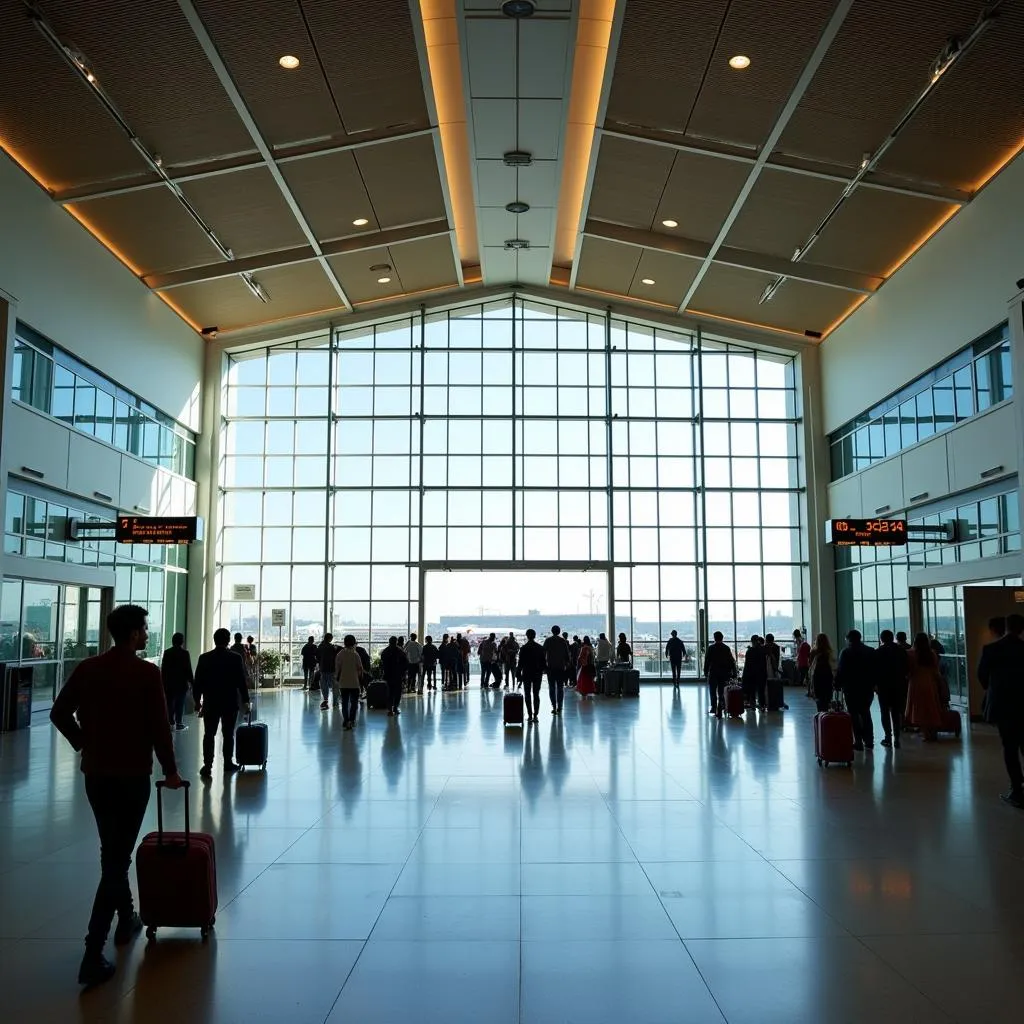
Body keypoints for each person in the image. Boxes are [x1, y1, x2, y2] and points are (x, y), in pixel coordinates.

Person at [50, 604, 182, 988]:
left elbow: (59, 712)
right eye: (143, 629)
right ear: (132, 633)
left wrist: (83, 743)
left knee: (112, 849)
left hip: (97, 775)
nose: (146, 634)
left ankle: (127, 917)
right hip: (132, 775)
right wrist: (171, 771)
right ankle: (93, 950)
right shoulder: (145, 673)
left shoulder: (89, 669)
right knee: (116, 858)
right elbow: (160, 728)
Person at [978, 613, 1024, 807]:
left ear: (1005, 627)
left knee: (1010, 747)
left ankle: (1017, 789)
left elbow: (982, 677)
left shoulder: (992, 649)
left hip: (1003, 706)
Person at [194, 628, 251, 778]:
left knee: (209, 734)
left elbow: (198, 681)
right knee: (228, 734)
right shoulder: (235, 658)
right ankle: (227, 763)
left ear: (214, 640)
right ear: (227, 641)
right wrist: (246, 701)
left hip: (210, 702)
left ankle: (207, 765)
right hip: (229, 702)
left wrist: (197, 701)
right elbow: (241, 682)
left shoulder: (204, 658)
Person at [836, 630, 875, 750]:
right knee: (866, 713)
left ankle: (858, 740)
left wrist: (837, 684)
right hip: (867, 688)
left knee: (853, 714)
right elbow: (875, 670)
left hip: (851, 688)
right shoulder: (870, 651)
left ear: (849, 639)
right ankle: (869, 740)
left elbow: (841, 671)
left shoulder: (846, 652)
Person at [905, 632, 943, 741]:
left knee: (919, 710)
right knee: (931, 708)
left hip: (916, 684)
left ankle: (926, 734)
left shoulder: (910, 654)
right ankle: (933, 733)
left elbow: (908, 671)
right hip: (930, 683)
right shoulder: (932, 654)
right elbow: (936, 671)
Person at [875, 630, 909, 748]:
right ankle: (897, 738)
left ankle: (888, 737)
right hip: (898, 685)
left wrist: (876, 685)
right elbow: (906, 667)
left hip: (883, 686)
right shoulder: (901, 651)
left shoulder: (878, 651)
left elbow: (875, 670)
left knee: (884, 712)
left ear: (882, 639)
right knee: (896, 712)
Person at [160, 632, 193, 730]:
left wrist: (163, 682)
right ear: (182, 641)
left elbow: (164, 669)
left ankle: (170, 721)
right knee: (180, 703)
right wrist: (192, 681)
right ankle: (179, 723)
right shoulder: (185, 653)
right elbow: (188, 669)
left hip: (169, 683)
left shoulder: (167, 652)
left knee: (170, 702)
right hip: (181, 683)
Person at [703, 631, 736, 717]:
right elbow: (731, 661)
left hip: (713, 672)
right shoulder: (726, 648)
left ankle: (714, 707)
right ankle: (721, 706)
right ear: (722, 638)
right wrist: (733, 673)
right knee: (722, 691)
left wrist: (706, 672)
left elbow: (707, 661)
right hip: (724, 673)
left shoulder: (711, 648)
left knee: (712, 691)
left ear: (714, 638)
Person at [334, 635, 363, 730]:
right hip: (354, 682)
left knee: (344, 703)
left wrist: (337, 678)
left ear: (344, 643)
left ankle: (346, 720)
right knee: (354, 703)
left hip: (343, 682)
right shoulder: (355, 654)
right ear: (354, 642)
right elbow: (360, 669)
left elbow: (337, 669)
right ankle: (352, 720)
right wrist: (360, 678)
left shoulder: (340, 654)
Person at [518, 628, 545, 722]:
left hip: (527, 673)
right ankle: (536, 714)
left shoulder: (523, 648)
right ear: (535, 636)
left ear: (527, 636)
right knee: (536, 694)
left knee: (527, 693)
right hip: (537, 673)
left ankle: (529, 714)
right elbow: (543, 662)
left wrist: (518, 673)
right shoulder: (540, 648)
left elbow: (520, 663)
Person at [543, 625, 571, 715]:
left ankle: (554, 706)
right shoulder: (563, 641)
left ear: (552, 631)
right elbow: (567, 655)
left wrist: (544, 666)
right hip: (560, 668)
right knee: (560, 688)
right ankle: (560, 707)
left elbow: (543, 653)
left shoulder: (548, 640)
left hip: (550, 668)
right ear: (559, 631)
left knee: (551, 688)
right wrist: (567, 664)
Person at [379, 636, 409, 716]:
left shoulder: (385, 651)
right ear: (396, 642)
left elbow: (382, 663)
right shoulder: (399, 651)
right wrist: (403, 673)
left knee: (390, 692)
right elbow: (406, 663)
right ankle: (395, 708)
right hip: (397, 675)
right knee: (398, 692)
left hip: (388, 675)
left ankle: (389, 709)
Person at [809, 634, 835, 713]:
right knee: (826, 700)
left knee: (819, 700)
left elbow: (810, 665)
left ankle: (821, 717)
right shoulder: (828, 652)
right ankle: (826, 717)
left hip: (817, 678)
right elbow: (832, 665)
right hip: (827, 677)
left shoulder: (813, 652)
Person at [741, 636, 768, 710]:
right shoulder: (762, 650)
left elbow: (747, 665)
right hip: (762, 673)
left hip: (752, 674)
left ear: (752, 641)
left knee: (752, 690)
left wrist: (745, 675)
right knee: (761, 690)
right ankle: (762, 706)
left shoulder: (750, 651)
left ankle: (753, 706)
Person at [317, 632, 337, 711]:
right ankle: (335, 701)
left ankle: (325, 699)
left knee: (324, 685)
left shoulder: (320, 646)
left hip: (323, 668)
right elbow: (335, 656)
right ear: (330, 639)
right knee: (334, 685)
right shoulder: (331, 647)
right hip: (331, 669)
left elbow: (317, 657)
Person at [794, 629, 811, 696]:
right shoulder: (803, 640)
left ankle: (809, 690)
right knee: (807, 676)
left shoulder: (798, 641)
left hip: (802, 661)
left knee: (805, 677)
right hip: (805, 661)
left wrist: (797, 661)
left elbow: (798, 651)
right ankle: (809, 690)